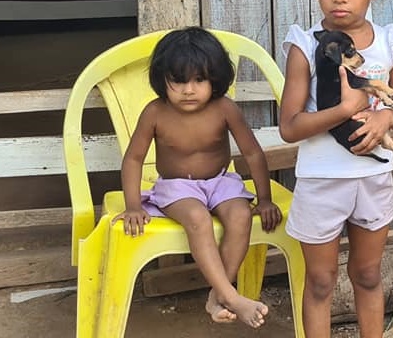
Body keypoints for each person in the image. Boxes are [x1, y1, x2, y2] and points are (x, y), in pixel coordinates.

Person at [278, 0, 393, 338]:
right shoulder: (306, 46)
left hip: (372, 180)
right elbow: (289, 127)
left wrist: (384, 118)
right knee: (320, 282)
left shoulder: (390, 42)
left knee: (369, 274)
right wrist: (343, 109)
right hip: (321, 182)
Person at [114, 26, 282, 329]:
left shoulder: (224, 108)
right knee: (197, 218)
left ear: (214, 78)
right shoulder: (155, 112)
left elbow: (253, 153)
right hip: (177, 188)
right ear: (162, 80)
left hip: (221, 181)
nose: (188, 90)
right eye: (178, 81)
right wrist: (133, 205)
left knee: (241, 216)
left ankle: (218, 294)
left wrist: (265, 199)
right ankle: (230, 295)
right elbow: (134, 158)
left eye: (199, 80)